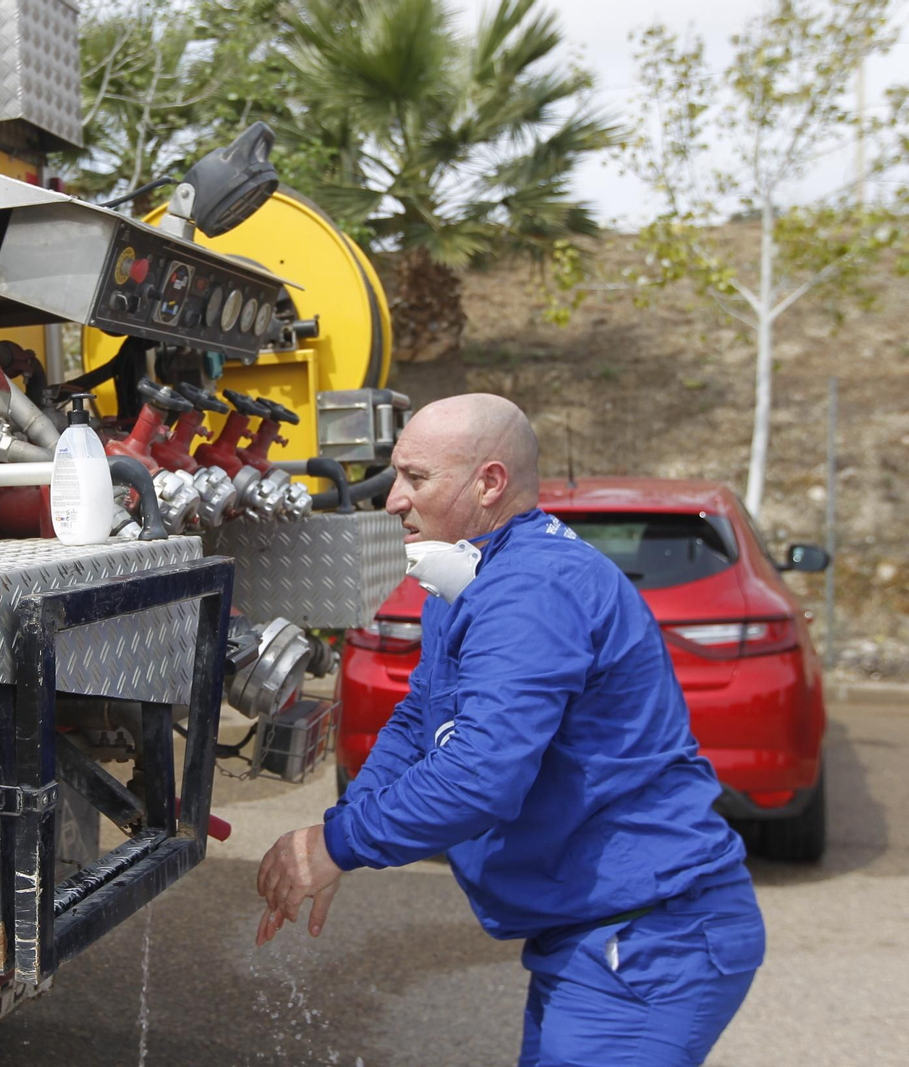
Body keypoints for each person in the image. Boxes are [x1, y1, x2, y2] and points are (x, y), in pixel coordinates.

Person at [254, 393, 765, 1066]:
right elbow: (418, 720)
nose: (392, 501)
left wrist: (341, 844)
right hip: (594, 935)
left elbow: (479, 774)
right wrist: (347, 821)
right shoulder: (472, 574)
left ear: (490, 482)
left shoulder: (531, 590)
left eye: (416, 478)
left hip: (647, 940)